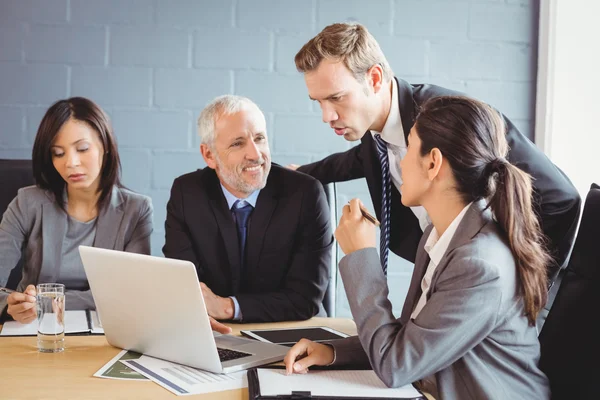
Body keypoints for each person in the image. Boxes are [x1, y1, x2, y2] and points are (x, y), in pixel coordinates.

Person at [284, 96, 551, 399]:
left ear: (433, 162)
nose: (401, 162)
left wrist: (361, 256)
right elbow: (409, 338)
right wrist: (331, 353)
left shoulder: (479, 264)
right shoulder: (439, 234)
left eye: (409, 148)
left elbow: (396, 366)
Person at [290, 22, 580, 284]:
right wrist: (298, 175)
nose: (326, 116)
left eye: (336, 98)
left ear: (375, 79)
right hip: (442, 281)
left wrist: (526, 286)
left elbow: (562, 199)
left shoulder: (453, 119)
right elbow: (353, 161)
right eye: (318, 102)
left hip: (492, 295)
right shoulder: (374, 131)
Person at [163, 95, 333, 334]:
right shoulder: (187, 194)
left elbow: (305, 299)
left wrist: (227, 307)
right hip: (215, 332)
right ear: (209, 155)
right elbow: (186, 286)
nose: (255, 154)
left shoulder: (305, 194)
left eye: (259, 139)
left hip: (291, 332)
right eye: (237, 143)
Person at [0, 97, 153, 323]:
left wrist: (45, 300)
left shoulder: (136, 210)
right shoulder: (27, 202)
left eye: (82, 148)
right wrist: (10, 304)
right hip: (36, 327)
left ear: (106, 146)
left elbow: (132, 294)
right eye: (58, 153)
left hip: (106, 331)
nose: (71, 162)